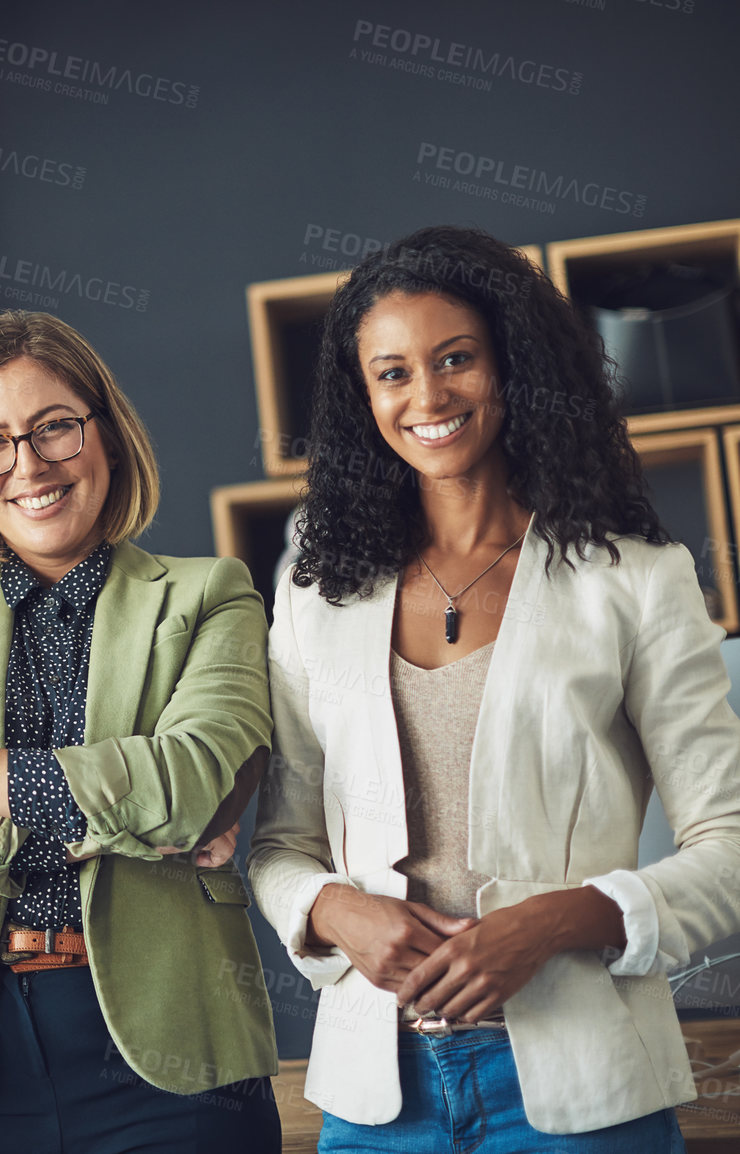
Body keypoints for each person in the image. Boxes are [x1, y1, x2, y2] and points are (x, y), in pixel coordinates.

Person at [249, 225, 740, 1151]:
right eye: (392, 373)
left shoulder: (635, 578)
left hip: (576, 1088)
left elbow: (730, 844)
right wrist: (331, 908)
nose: (426, 397)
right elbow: (280, 845)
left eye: (456, 359)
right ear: (364, 397)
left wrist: (554, 922)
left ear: (514, 369)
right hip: (374, 1095)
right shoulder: (318, 585)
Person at [0, 310, 282, 1152]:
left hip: (172, 1055)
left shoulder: (212, 593)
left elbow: (188, 787)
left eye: (55, 429)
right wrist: (121, 823)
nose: (28, 466)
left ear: (104, 433)